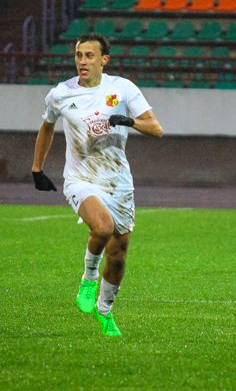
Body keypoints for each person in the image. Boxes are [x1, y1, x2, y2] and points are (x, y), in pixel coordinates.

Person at [31, 33, 163, 335]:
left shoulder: (122, 88)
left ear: (104, 60)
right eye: (79, 55)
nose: (82, 61)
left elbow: (156, 129)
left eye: (89, 56)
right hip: (81, 178)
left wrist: (128, 121)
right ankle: (88, 280)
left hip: (118, 182)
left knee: (118, 254)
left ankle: (104, 311)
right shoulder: (60, 93)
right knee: (102, 227)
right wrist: (37, 167)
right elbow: (47, 126)